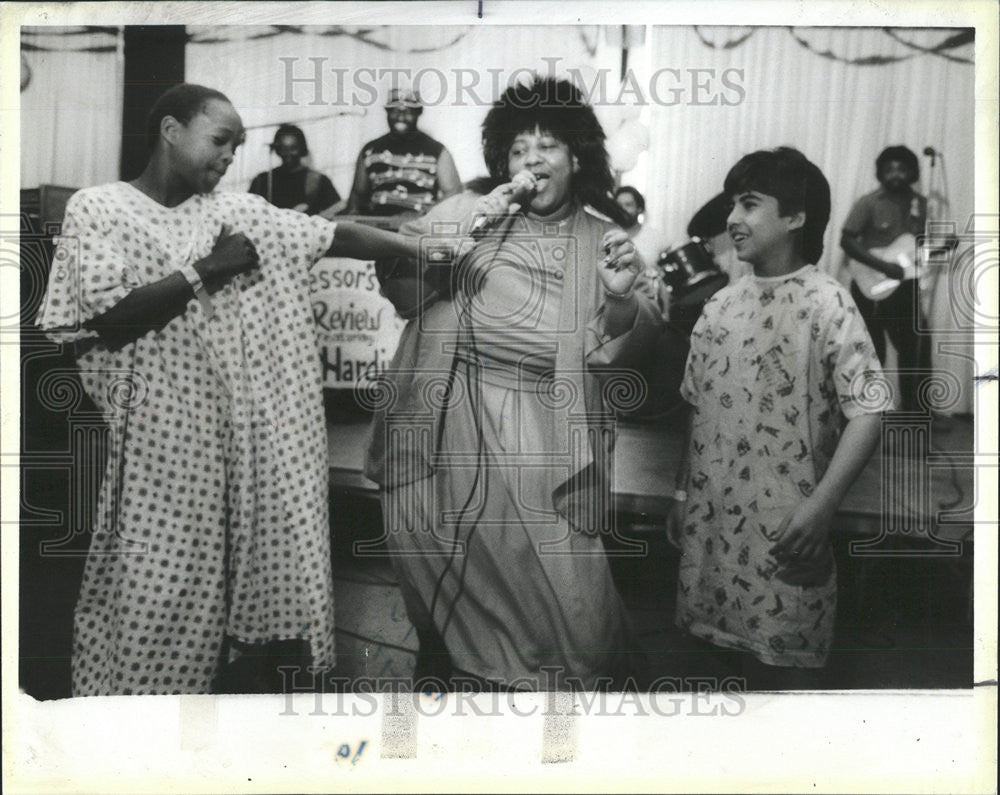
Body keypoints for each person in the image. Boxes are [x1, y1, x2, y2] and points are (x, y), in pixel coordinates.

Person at [35, 83, 424, 696]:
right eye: (220, 140)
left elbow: (333, 236)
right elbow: (111, 317)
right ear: (170, 130)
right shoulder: (98, 207)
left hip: (237, 451)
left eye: (237, 146)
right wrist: (209, 268)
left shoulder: (234, 212)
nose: (229, 156)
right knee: (155, 596)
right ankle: (126, 733)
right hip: (156, 453)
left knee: (232, 606)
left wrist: (422, 247)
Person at [364, 76, 663, 691]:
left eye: (548, 144)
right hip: (445, 413)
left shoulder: (604, 240)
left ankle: (569, 679)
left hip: (540, 425)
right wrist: (451, 239)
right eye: (518, 146)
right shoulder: (466, 214)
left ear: (576, 157)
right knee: (439, 553)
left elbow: (616, 355)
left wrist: (619, 299)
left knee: (560, 578)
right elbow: (401, 296)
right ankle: (454, 662)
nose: (531, 158)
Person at [667, 147, 886, 689]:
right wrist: (678, 495)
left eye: (748, 204)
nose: (731, 219)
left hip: (787, 532)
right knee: (713, 677)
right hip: (713, 530)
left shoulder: (828, 304)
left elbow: (869, 412)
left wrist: (822, 506)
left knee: (781, 684)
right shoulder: (718, 306)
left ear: (795, 216)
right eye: (731, 206)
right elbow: (697, 409)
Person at [840, 145, 928, 412]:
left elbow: (915, 244)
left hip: (905, 285)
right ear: (880, 173)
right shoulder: (868, 202)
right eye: (889, 169)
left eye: (902, 168)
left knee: (913, 351)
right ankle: (867, 415)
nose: (896, 174)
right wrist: (882, 266)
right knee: (869, 350)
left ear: (912, 172)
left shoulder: (920, 204)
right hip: (870, 287)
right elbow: (846, 240)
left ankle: (912, 415)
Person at [344, 88, 462, 216]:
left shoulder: (437, 151)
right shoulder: (370, 150)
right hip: (376, 228)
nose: (401, 117)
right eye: (395, 110)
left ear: (419, 112)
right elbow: (357, 194)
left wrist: (427, 214)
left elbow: (454, 192)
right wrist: (353, 218)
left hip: (417, 228)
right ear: (387, 112)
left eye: (409, 111)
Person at [249, 123, 342, 215]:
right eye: (284, 148)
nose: (288, 153)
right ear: (277, 150)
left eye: (293, 148)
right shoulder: (263, 180)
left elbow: (337, 208)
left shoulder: (318, 180)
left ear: (302, 149)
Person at [614, 185, 671, 272]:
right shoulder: (608, 237)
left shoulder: (656, 237)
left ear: (639, 209)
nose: (622, 209)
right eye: (618, 205)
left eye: (628, 205)